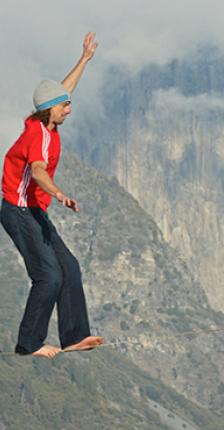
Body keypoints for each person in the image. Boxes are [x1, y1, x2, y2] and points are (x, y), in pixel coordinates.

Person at [0, 33, 104, 359]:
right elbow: (40, 171)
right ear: (51, 111)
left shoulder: (44, 118)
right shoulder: (38, 138)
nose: (69, 109)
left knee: (69, 268)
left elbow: (61, 90)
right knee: (48, 276)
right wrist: (60, 194)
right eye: (65, 106)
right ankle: (28, 343)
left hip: (33, 211)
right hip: (17, 211)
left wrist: (84, 59)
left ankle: (74, 336)